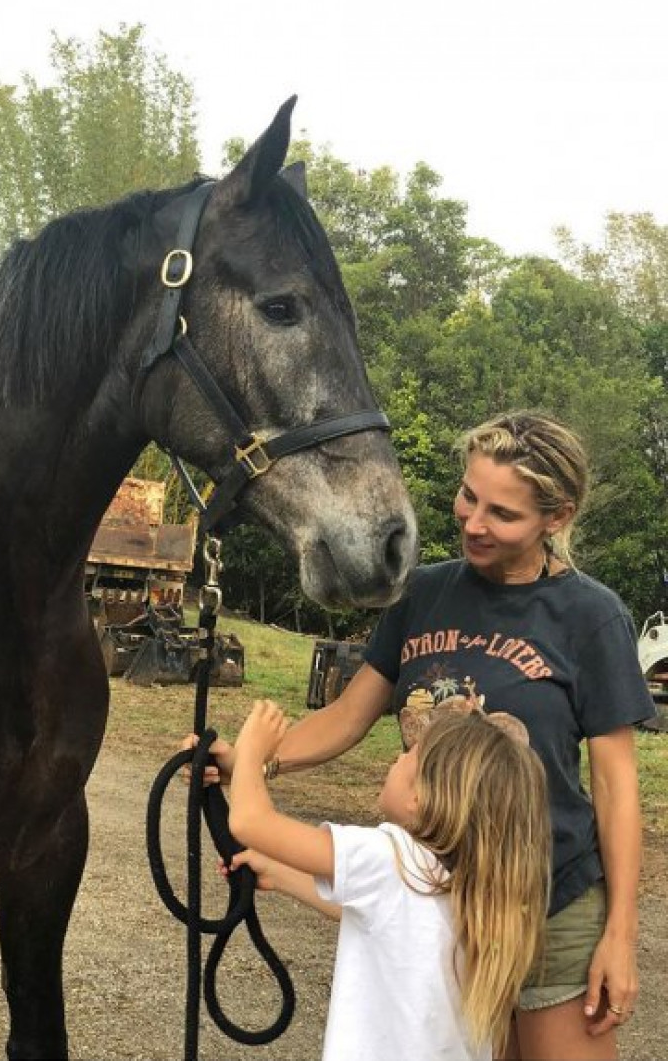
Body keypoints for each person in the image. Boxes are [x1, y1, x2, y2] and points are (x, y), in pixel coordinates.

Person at [203, 411, 656, 1060]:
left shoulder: (592, 616)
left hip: (550, 904)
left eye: (503, 514)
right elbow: (349, 716)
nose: (473, 522)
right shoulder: (422, 593)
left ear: (556, 518)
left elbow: (616, 789)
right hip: (444, 902)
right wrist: (254, 761)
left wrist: (619, 934)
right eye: (470, 496)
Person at [222, 695, 551, 1061]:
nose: (396, 759)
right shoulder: (478, 892)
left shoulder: (390, 855)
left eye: (407, 756)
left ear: (420, 796)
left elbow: (250, 821)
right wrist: (279, 874)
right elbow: (384, 919)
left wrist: (251, 751)